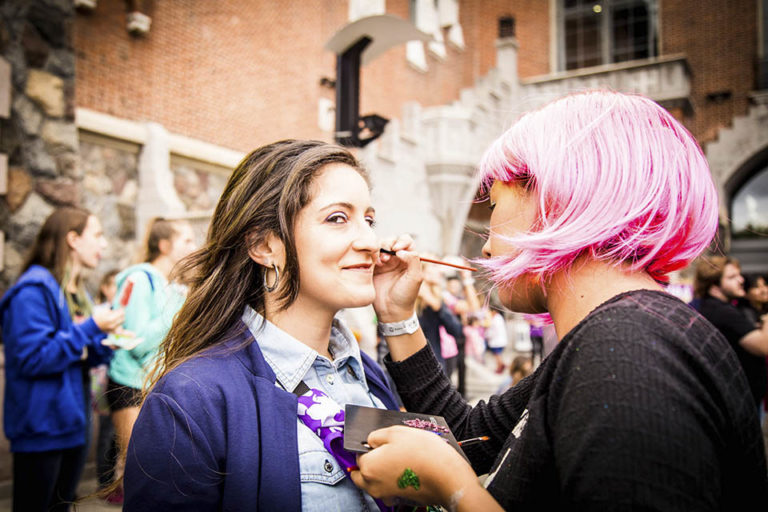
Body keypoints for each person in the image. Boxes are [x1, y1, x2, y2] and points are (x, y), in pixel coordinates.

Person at [349, 90, 768, 510]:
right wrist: (397, 314)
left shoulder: (627, 352)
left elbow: (457, 461)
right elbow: (468, 435)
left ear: (554, 200)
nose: (489, 248)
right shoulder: (609, 337)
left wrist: (455, 490)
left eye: (495, 204)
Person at [123, 140, 403, 511]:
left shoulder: (367, 375)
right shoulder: (192, 399)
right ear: (263, 245)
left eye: (369, 220)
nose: (370, 241)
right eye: (338, 218)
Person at [0, 207, 124, 512]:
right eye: (96, 235)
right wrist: (92, 327)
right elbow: (33, 358)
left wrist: (105, 342)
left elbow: (75, 353)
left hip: (72, 423)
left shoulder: (75, 291)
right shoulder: (33, 290)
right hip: (42, 428)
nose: (103, 244)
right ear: (72, 239)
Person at [105, 217, 196, 499]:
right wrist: (176, 311)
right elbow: (134, 341)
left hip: (154, 385)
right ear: (165, 245)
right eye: (187, 240)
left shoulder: (171, 286)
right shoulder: (139, 279)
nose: (194, 247)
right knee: (139, 471)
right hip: (129, 385)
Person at [694, 257, 768, 410]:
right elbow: (763, 346)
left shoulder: (714, 308)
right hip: (742, 401)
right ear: (714, 286)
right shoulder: (723, 312)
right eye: (732, 277)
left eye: (739, 275)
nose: (741, 280)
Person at [91, 269, 122, 503]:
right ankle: (104, 483)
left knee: (113, 435)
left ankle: (113, 481)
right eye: (113, 285)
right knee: (105, 432)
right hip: (99, 380)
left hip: (114, 376)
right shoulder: (99, 312)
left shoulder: (119, 312)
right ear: (104, 287)